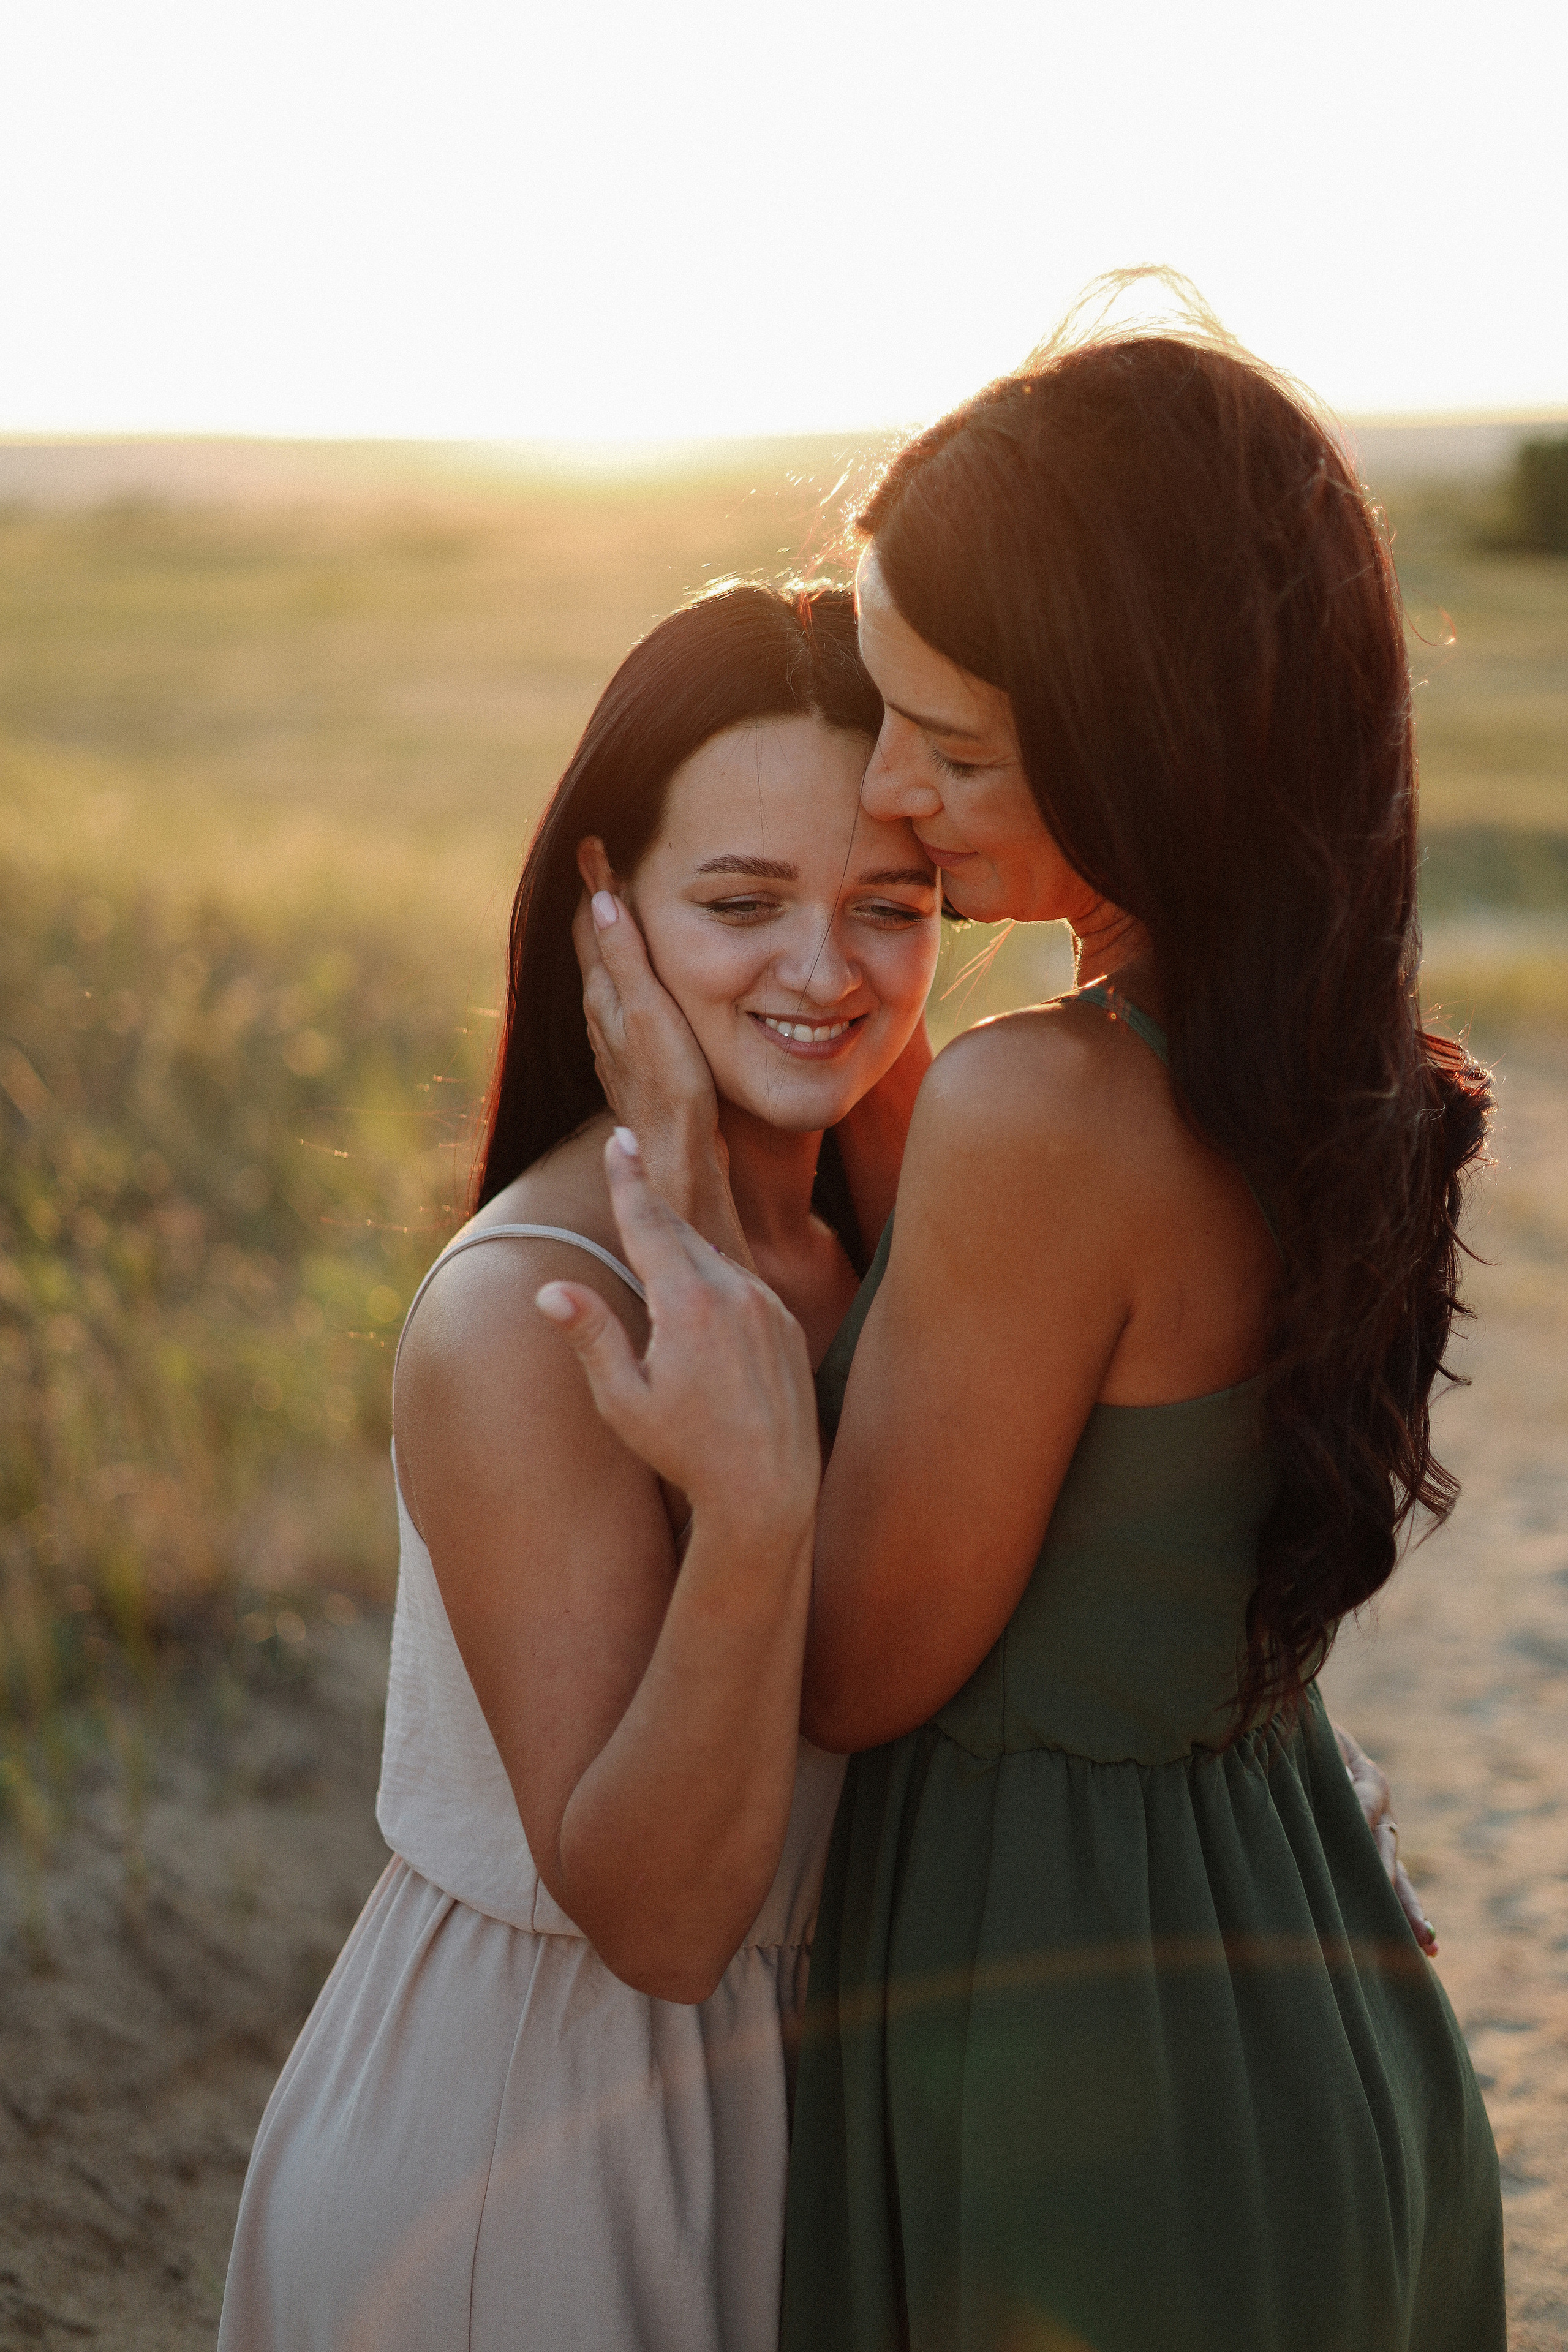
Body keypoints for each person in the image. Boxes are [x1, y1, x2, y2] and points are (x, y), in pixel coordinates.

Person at [556, 318, 1505, 2350]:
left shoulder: (1039, 1110)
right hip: (1303, 1960)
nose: (892, 797)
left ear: (1149, 732)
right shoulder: (1335, 1072)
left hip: (1078, 2052)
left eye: (955, 751)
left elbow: (860, 1666)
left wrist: (704, 1208)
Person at [216, 581, 945, 2352]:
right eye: (742, 903)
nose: (826, 971)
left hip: (803, 2123)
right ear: (603, 903)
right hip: (535, 2156)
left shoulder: (883, 1236)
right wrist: (756, 1502)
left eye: (892, 908)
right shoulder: (525, 1319)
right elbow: (663, 1918)